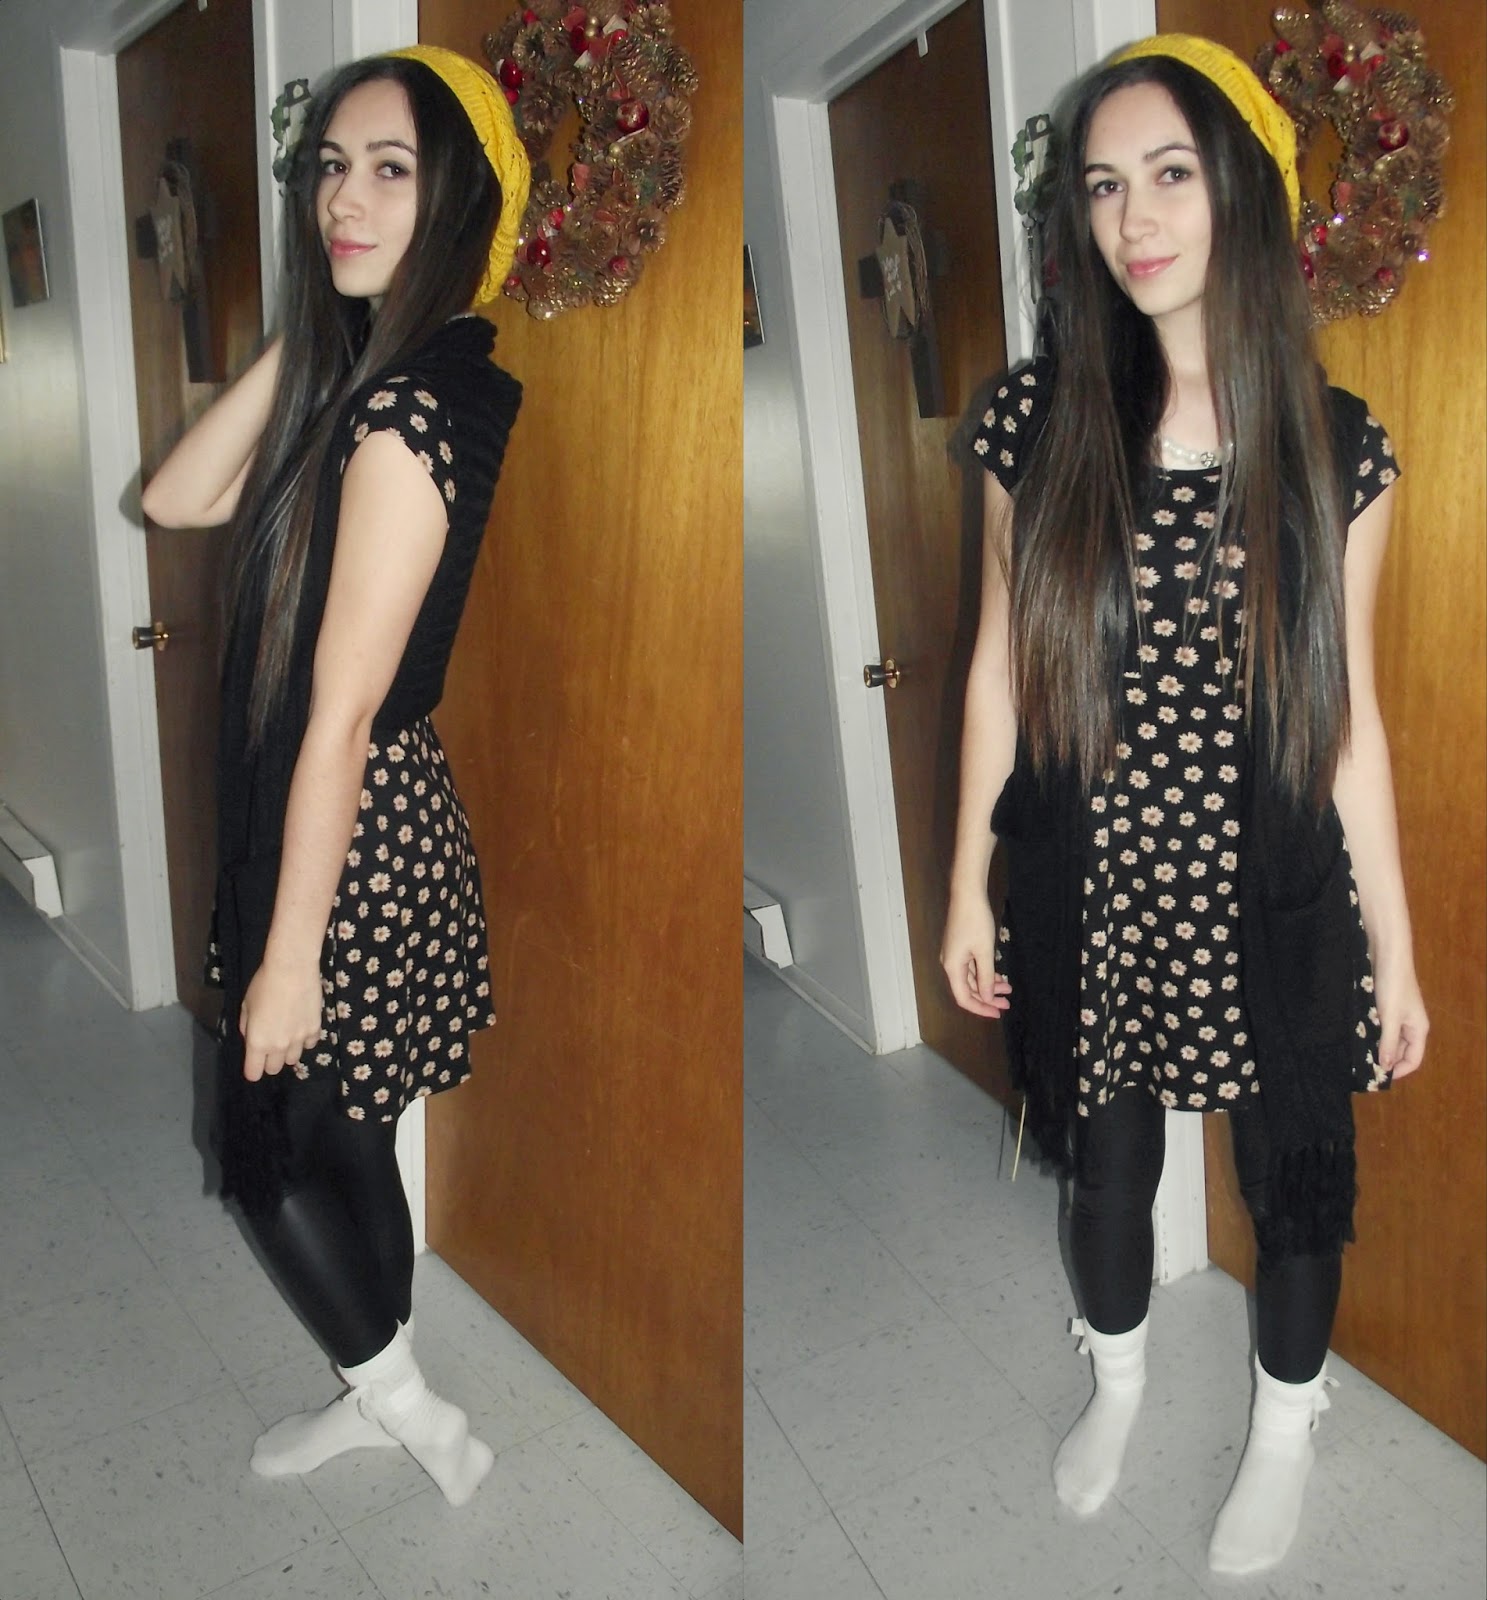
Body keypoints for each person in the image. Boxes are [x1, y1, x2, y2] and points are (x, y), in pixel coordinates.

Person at [939, 34, 1427, 1575]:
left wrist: (1398, 951)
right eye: (1102, 186)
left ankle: (1286, 1428)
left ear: (1242, 195)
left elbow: (1347, 723)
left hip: (1272, 892)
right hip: (1090, 887)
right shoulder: (1035, 426)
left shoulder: (1335, 450)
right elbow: (997, 675)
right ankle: (1120, 1382)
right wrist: (964, 886)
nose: (1134, 217)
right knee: (1107, 1162)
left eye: (1169, 175)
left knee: (1295, 1182)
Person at [141, 44, 530, 1507]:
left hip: (345, 828)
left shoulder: (405, 414)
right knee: (352, 1128)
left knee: (272, 1152)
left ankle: (414, 1413)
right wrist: (314, 330)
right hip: (363, 810)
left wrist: (290, 956)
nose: (345, 201)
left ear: (457, 202)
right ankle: (386, 1396)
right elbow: (174, 495)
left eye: (391, 171)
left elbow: (342, 712)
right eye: (331, 170)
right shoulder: (387, 382)